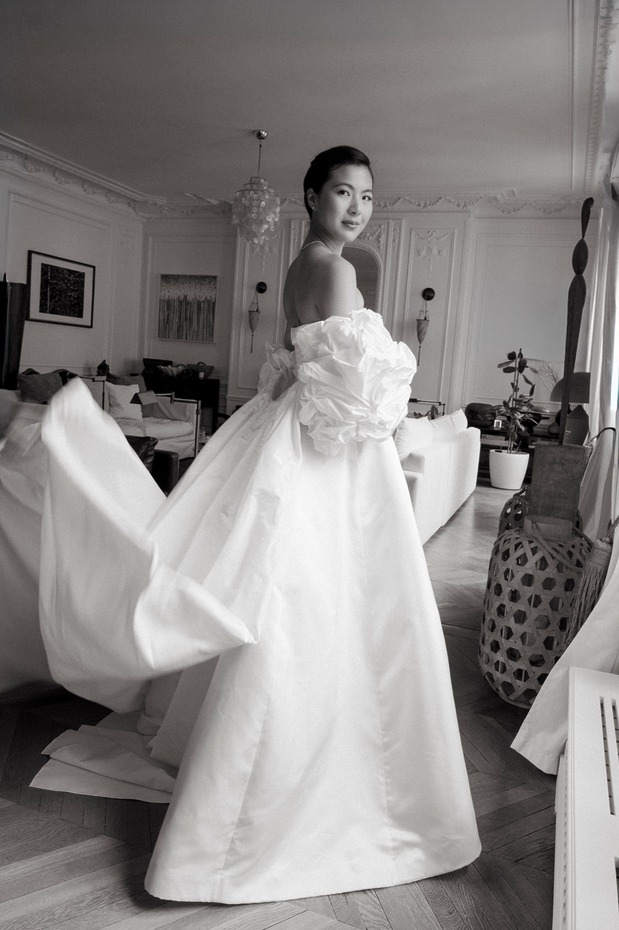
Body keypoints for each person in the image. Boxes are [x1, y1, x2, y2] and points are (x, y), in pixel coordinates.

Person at [32, 145, 481, 904]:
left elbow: (311, 367)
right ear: (310, 196)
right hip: (331, 453)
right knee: (326, 602)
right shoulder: (337, 271)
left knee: (279, 588)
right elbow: (362, 399)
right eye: (343, 192)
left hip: (294, 435)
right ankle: (287, 788)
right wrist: (390, 391)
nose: (358, 208)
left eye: (367, 197)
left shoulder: (303, 264)